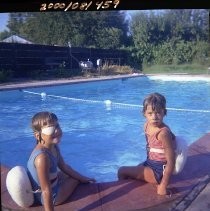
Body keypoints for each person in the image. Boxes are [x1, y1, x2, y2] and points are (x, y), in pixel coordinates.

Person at [27, 111, 96, 211]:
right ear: (38, 136)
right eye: (51, 128)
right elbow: (46, 191)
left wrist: (84, 178)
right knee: (75, 179)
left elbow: (64, 166)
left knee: (71, 174)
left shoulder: (53, 147)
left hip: (52, 184)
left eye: (57, 126)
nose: (57, 131)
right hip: (52, 197)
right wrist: (79, 179)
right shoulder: (42, 158)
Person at [118, 93, 176, 196]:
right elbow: (150, 148)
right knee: (133, 172)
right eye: (150, 113)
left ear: (164, 113)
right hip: (150, 163)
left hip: (158, 171)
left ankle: (123, 197)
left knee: (122, 171)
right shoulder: (146, 126)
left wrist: (163, 185)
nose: (154, 117)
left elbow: (171, 161)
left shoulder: (163, 133)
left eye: (158, 113)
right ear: (144, 113)